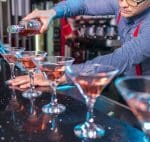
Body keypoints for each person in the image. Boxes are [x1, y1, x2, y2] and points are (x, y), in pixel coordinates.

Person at [8, 0, 150, 89]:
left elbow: (123, 58)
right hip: (129, 86)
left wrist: (65, 75)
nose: (124, 4)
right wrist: (51, 12)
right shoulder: (122, 3)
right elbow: (82, 4)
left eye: (134, 0)